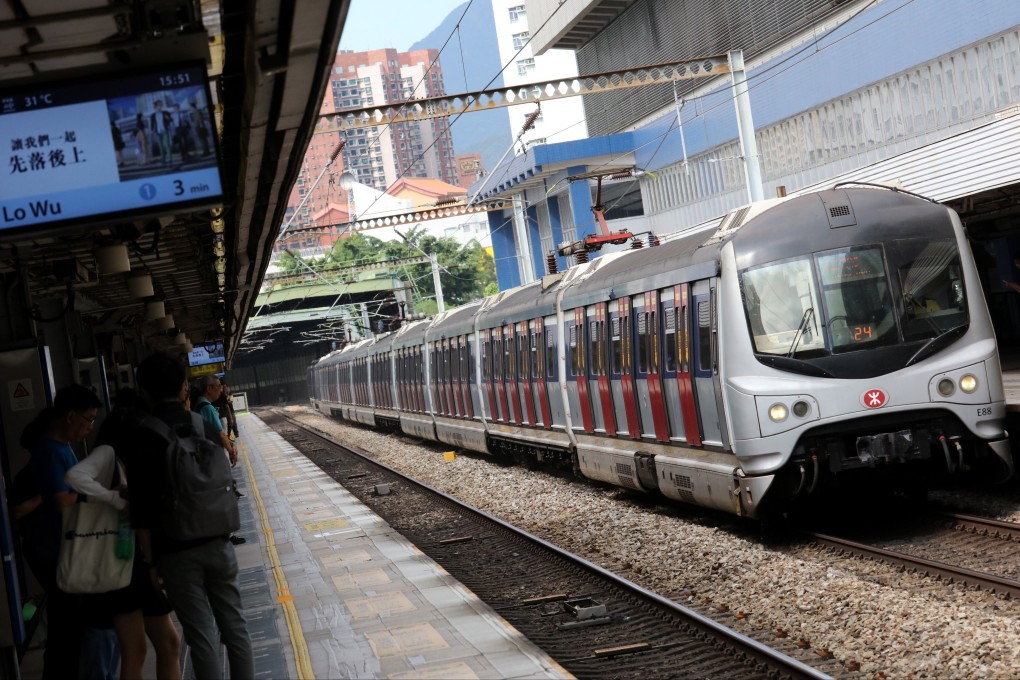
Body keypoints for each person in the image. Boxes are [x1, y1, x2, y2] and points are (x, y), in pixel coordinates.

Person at [132, 353, 254, 680]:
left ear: (144, 390)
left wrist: (149, 560)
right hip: (219, 541)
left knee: (201, 636)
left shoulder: (143, 436)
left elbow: (140, 508)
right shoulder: (202, 424)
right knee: (236, 628)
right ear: (185, 388)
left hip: (176, 552)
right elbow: (228, 464)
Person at [64, 390, 182, 680]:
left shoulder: (133, 458)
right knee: (137, 651)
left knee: (168, 643)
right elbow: (74, 477)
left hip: (136, 562)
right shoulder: (107, 453)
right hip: (118, 565)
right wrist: (116, 500)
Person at [24, 384, 102, 680]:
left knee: (68, 626)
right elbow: (62, 501)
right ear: (71, 416)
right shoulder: (48, 450)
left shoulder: (62, 447)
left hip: (64, 549)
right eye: (89, 418)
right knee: (67, 628)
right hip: (54, 552)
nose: (90, 426)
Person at [149, 100, 173, 165]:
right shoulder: (153, 115)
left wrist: (168, 118)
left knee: (167, 145)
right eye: (158, 105)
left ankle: (170, 159)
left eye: (160, 105)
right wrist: (152, 131)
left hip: (165, 131)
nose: (159, 106)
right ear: (155, 107)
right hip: (158, 132)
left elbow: (171, 120)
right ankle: (163, 159)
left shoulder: (165, 113)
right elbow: (152, 124)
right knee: (161, 146)